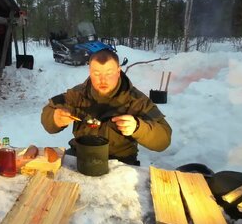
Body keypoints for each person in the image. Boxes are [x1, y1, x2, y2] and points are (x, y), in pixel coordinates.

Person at [41, 49, 172, 166]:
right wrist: (55, 119)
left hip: (120, 163)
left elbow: (164, 139)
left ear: (118, 71)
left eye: (109, 73)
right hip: (80, 156)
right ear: (90, 72)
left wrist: (138, 127)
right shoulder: (77, 94)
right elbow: (49, 110)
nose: (103, 80)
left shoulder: (136, 101)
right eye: (97, 73)